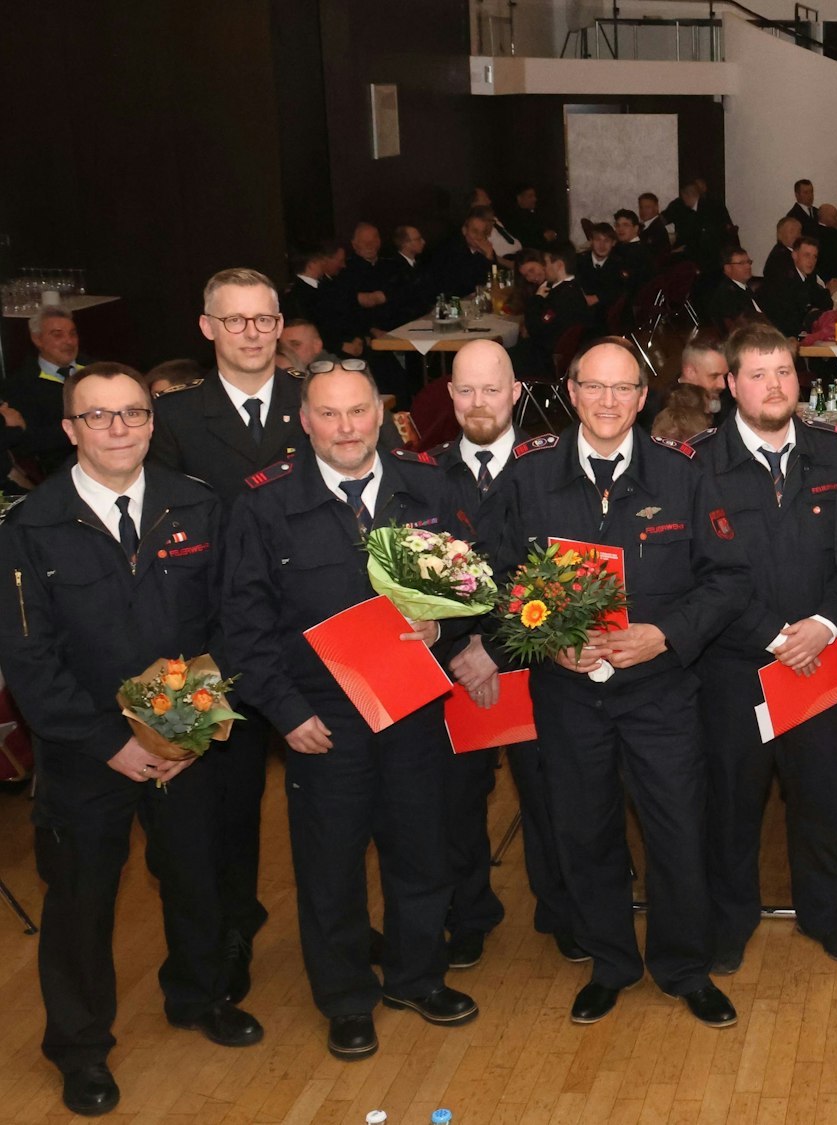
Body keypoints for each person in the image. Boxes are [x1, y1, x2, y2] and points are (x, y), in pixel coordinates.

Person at [0, 363, 261, 1117]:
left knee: (196, 879)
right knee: (81, 904)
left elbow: (229, 623)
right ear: (70, 430)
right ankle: (80, 1048)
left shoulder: (199, 507)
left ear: (153, 421)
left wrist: (190, 726)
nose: (119, 428)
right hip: (86, 756)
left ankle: (199, 994)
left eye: (133, 413)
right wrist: (108, 741)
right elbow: (29, 658)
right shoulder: (29, 527)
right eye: (99, 416)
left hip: (186, 740)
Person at [483, 338, 751, 1028]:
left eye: (622, 389)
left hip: (660, 691)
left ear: (642, 398)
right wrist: (545, 640)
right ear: (572, 393)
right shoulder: (528, 476)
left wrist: (665, 634)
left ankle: (683, 966)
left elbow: (728, 578)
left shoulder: (682, 476)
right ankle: (610, 963)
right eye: (594, 388)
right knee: (585, 831)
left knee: (677, 832)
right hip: (569, 695)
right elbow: (495, 577)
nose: (607, 402)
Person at [222, 362, 479, 1059]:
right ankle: (345, 998)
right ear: (304, 422)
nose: (345, 428)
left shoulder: (427, 486)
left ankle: (416, 976)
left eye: (358, 411)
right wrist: (284, 711)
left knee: (421, 851)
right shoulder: (263, 506)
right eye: (329, 415)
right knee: (330, 866)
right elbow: (244, 629)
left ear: (381, 415)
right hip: (321, 720)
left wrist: (443, 626)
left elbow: (469, 587)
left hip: (412, 708)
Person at [151, 268, 331, 1011]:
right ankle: (226, 943)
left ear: (280, 323)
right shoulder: (175, 420)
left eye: (263, 320)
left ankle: (337, 929)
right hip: (213, 647)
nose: (252, 333)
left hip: (316, 640)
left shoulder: (318, 403)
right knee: (220, 811)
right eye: (235, 321)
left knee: (333, 801)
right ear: (207, 328)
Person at [689, 324, 837, 973]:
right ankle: (730, 921)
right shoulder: (698, 466)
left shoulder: (836, 456)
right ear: (730, 384)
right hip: (735, 669)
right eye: (757, 374)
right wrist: (771, 635)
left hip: (821, 662)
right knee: (732, 803)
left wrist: (824, 621)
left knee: (824, 797)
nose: (774, 385)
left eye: (784, 371)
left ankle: (827, 914)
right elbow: (699, 574)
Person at [424, 341, 587, 967]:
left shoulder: (553, 468)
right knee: (455, 802)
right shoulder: (423, 474)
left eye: (491, 390)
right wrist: (463, 646)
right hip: (451, 665)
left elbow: (562, 571)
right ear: (449, 395)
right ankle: (469, 912)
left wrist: (494, 647)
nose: (478, 403)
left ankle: (563, 909)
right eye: (465, 391)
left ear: (516, 392)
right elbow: (416, 575)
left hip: (537, 659)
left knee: (551, 796)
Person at [4, 304, 90, 474]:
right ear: (37, 339)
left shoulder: (96, 370)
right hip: (60, 470)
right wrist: (82, 425)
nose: (69, 341)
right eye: (58, 335)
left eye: (73, 334)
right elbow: (26, 443)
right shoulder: (20, 386)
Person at [761, 235, 831, 338]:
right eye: (806, 255)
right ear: (794, 255)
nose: (811, 261)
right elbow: (789, 319)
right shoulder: (783, 280)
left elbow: (825, 302)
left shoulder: (808, 276)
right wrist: (811, 312)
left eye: (814, 256)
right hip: (781, 337)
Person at [700, 247, 764, 331]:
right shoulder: (727, 295)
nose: (748, 266)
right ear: (728, 268)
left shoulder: (743, 287)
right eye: (741, 263)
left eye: (748, 262)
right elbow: (743, 327)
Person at [764, 216, 804, 281]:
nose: (797, 235)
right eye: (792, 231)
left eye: (799, 232)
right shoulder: (778, 257)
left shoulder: (799, 253)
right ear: (780, 234)